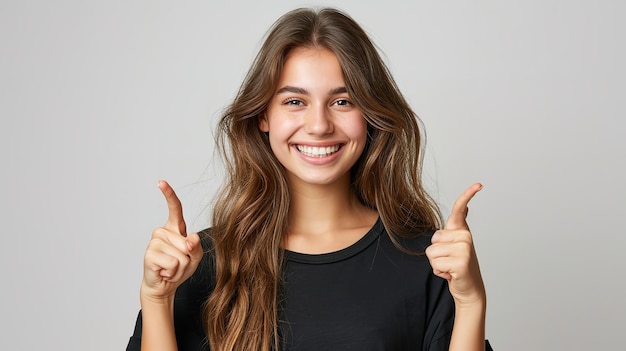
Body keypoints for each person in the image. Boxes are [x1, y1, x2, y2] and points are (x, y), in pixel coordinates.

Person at [127, 7, 493, 351]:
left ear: (370, 115)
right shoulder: (201, 264)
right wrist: (156, 299)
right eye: (294, 102)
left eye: (342, 101)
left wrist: (471, 301)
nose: (319, 126)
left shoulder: (427, 261)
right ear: (262, 117)